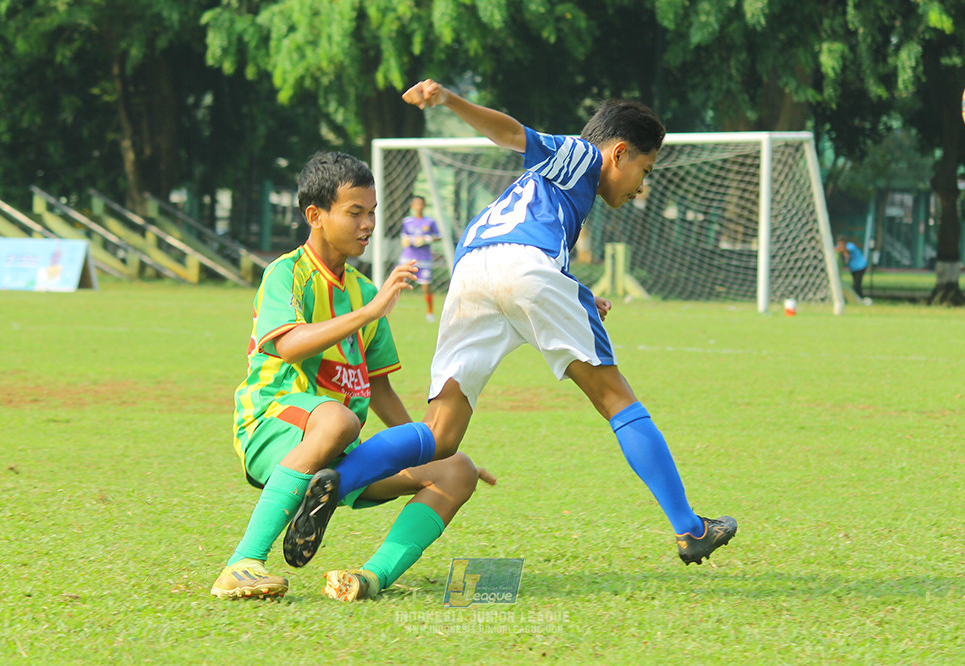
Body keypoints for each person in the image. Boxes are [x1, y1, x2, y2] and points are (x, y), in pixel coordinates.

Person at [286, 80, 736, 569]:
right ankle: (690, 529)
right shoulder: (582, 155)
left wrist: (579, 295)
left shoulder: (545, 192)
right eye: (642, 171)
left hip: (471, 273)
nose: (640, 186)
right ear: (620, 151)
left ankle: (336, 482)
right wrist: (451, 101)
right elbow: (512, 135)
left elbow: (515, 257)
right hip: (524, 269)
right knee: (616, 399)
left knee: (440, 434)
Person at [211, 151, 494, 601]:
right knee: (339, 420)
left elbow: (378, 388)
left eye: (373, 212)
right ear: (315, 215)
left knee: (456, 470)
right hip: (272, 425)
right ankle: (242, 563)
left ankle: (368, 579)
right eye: (355, 212)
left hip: (341, 453)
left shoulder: (363, 289)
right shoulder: (286, 274)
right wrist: (367, 312)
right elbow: (287, 344)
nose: (368, 224)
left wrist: (429, 450)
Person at [399, 195, 442, 321]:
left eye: (420, 204)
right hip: (408, 258)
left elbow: (438, 236)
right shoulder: (407, 222)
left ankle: (429, 313)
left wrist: (426, 239)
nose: (418, 206)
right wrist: (408, 240)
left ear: (424, 206)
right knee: (399, 284)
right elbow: (404, 238)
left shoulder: (430, 221)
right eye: (416, 204)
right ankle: (387, 310)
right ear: (412, 206)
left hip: (424, 259)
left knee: (426, 286)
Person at [835, 237, 869, 301]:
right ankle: (858, 298)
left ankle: (860, 298)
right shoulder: (839, 246)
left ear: (845, 242)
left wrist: (836, 249)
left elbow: (843, 250)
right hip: (853, 268)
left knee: (857, 284)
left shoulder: (850, 245)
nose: (840, 245)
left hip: (860, 266)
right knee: (855, 284)